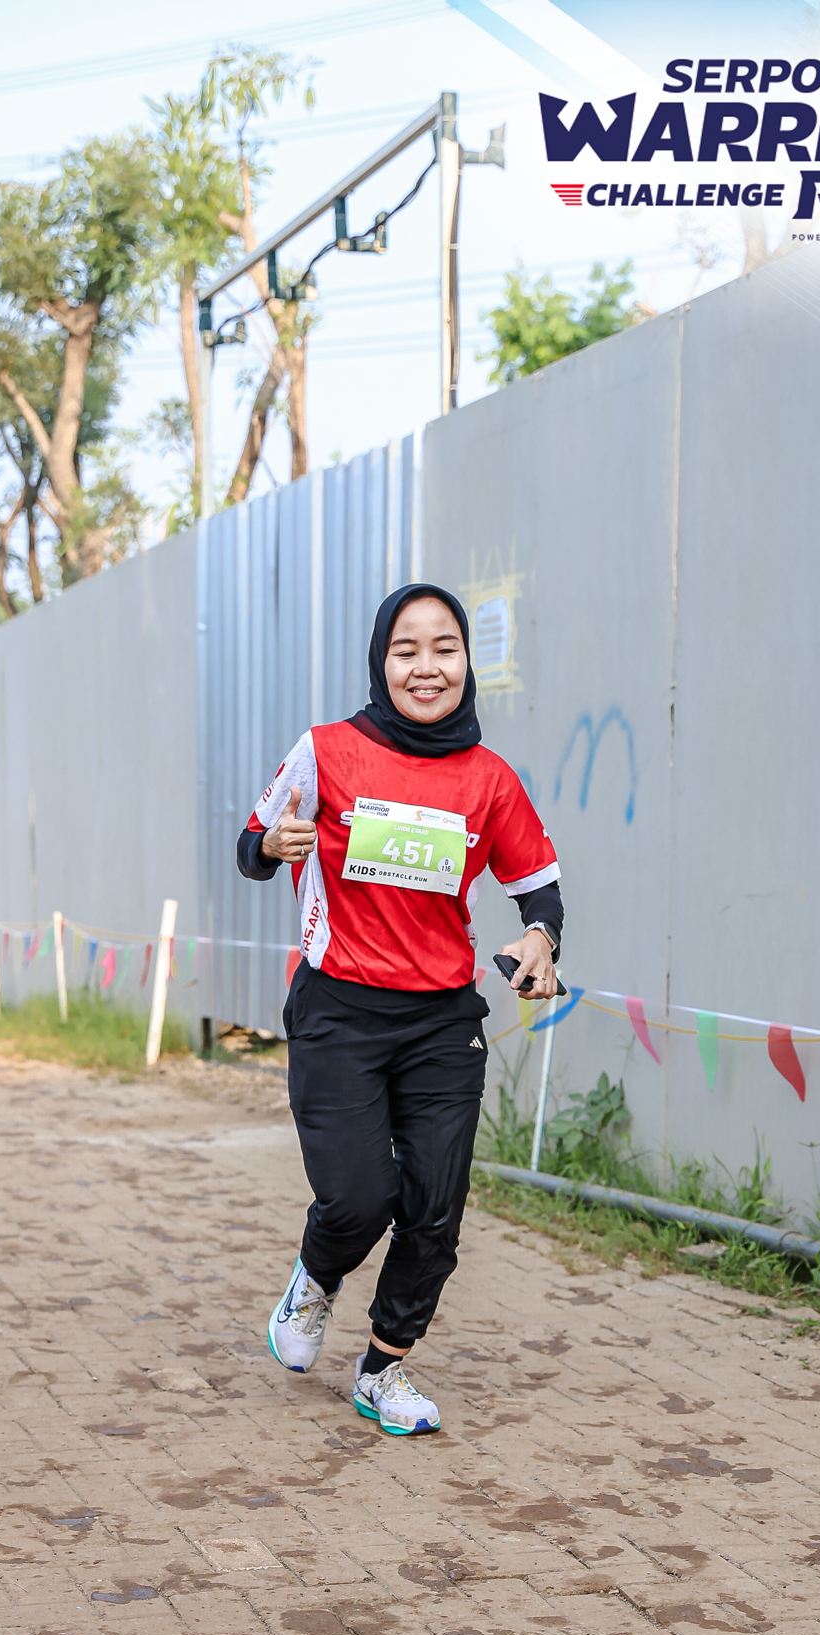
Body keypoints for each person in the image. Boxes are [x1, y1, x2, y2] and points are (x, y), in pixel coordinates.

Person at [237, 583, 563, 1436]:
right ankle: (315, 1281)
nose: (427, 667)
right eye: (406, 649)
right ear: (381, 661)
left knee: (433, 1208)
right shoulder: (327, 751)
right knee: (358, 1198)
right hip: (338, 1011)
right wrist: (272, 844)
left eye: (445, 648)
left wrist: (541, 939)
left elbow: (538, 887)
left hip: (442, 1020)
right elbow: (251, 846)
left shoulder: (489, 778)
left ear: (467, 662)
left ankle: (384, 1369)